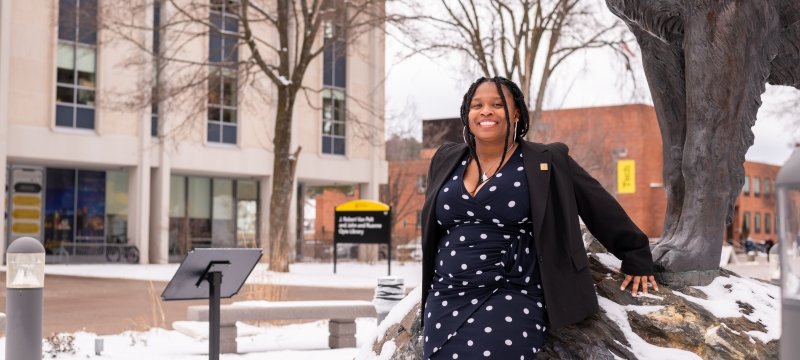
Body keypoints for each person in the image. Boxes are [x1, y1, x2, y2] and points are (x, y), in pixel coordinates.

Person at [419, 76, 658, 359]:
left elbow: (599, 206)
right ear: (466, 113)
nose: (486, 111)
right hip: (447, 293)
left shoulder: (545, 159)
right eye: (477, 105)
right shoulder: (447, 158)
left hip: (510, 291)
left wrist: (636, 255)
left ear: (516, 112)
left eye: (497, 104)